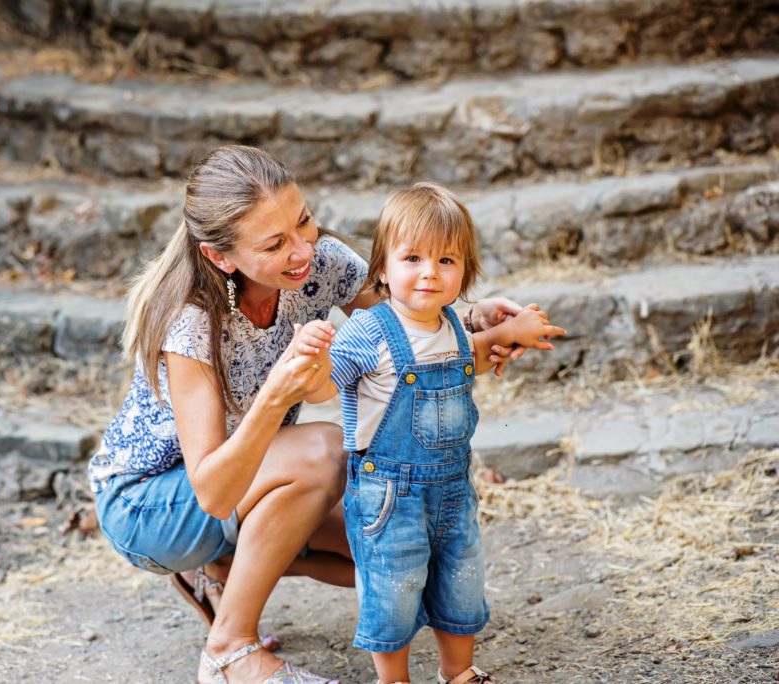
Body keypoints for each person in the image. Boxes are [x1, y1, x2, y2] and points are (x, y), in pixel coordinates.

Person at [88, 146, 526, 683]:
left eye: (304, 221)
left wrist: (473, 317)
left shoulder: (321, 266)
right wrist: (275, 397)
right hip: (154, 506)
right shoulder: (191, 324)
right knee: (325, 450)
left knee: (401, 544)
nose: (303, 251)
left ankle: (224, 569)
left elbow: (407, 313)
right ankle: (229, 651)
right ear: (220, 257)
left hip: (253, 483)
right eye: (275, 244)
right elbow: (213, 493)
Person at [298, 183, 566, 684]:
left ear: (464, 271)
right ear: (382, 268)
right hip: (388, 493)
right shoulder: (368, 332)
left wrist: (511, 334)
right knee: (392, 586)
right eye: (413, 257)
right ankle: (393, 679)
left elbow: (472, 359)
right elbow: (320, 390)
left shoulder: (453, 326)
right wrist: (311, 359)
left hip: (451, 488)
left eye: (447, 260)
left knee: (460, 581)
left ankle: (458, 672)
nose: (429, 272)